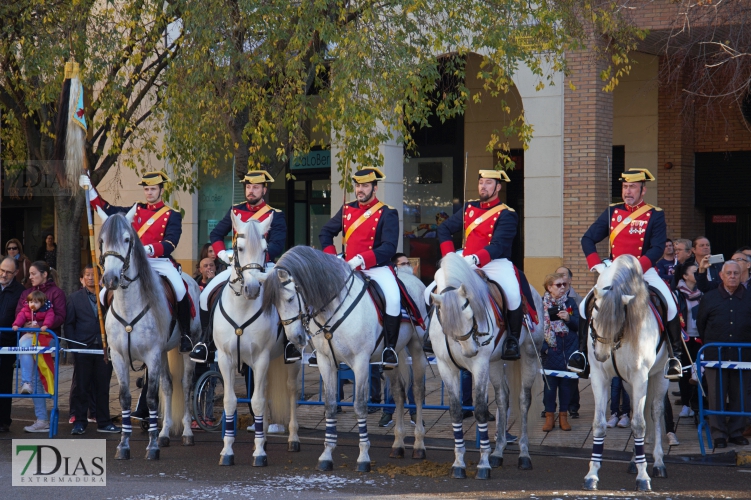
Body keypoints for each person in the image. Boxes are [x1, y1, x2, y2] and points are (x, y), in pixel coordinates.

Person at [569, 168, 682, 379]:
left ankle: (676, 356)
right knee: (586, 305)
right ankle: (582, 354)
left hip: (643, 269)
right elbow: (588, 239)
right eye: (625, 187)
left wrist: (637, 267)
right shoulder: (612, 211)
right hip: (614, 269)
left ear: (643, 190)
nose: (628, 191)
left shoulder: (655, 214)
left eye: (632, 187)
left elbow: (657, 248)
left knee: (670, 302)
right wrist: (597, 265)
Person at [80, 171, 193, 352]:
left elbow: (171, 243)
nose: (149, 193)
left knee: (180, 289)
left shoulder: (172, 215)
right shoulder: (135, 210)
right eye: (147, 189)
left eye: (153, 189)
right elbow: (105, 208)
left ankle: (185, 334)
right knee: (103, 294)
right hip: (133, 262)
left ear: (161, 190)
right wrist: (91, 189)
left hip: (159, 260)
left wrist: (149, 249)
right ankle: (106, 334)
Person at [191, 170, 290, 363]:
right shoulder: (235, 211)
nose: (251, 191)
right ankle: (205, 342)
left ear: (264, 190)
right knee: (205, 296)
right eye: (248, 187)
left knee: (286, 296)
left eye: (255, 187)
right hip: (237, 267)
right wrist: (222, 254)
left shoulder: (274, 215)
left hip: (263, 265)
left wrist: (259, 259)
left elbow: (278, 243)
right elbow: (216, 234)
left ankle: (288, 343)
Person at [435, 169, 524, 361]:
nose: (483, 186)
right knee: (432, 290)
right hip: (464, 262)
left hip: (494, 263)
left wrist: (476, 258)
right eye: (481, 182)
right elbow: (444, 229)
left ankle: (512, 340)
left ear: (498, 187)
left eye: (489, 183)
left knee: (513, 294)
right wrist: (450, 256)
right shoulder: (468, 208)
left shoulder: (507, 214)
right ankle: (431, 334)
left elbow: (499, 245)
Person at [320, 167, 401, 367]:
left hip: (376, 267)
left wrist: (362, 259)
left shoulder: (387, 212)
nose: (360, 190)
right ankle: (319, 346)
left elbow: (389, 247)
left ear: (375, 188)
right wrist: (333, 259)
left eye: (365, 186)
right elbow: (325, 233)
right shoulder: (347, 209)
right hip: (347, 267)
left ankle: (389, 349)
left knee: (393, 298)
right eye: (357, 186)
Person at [697, 260, 751, 448]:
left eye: (736, 273)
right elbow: (701, 325)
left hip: (743, 357)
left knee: (740, 396)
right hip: (715, 357)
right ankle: (719, 434)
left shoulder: (749, 297)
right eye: (728, 273)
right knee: (716, 396)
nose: (732, 276)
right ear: (721, 275)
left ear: (741, 275)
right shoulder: (709, 298)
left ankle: (736, 432)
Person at [66, 265, 120, 434]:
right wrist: (74, 347)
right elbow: (69, 324)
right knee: (82, 386)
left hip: (104, 348)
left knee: (103, 387)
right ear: (82, 279)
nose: (91, 278)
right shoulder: (74, 299)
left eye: (95, 275)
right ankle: (80, 422)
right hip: (83, 347)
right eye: (87, 275)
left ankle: (104, 421)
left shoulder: (110, 296)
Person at [16, 261, 66, 433]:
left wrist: (41, 324)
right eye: (29, 274)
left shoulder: (56, 293)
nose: (30, 277)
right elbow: (18, 314)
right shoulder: (26, 293)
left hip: (47, 338)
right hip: (29, 337)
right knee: (36, 379)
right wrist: (25, 325)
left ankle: (26, 382)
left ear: (44, 274)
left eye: (33, 274)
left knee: (40, 378)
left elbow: (60, 316)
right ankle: (42, 419)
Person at [540, 273, 579, 432]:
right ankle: (550, 417)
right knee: (550, 387)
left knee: (566, 386)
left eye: (564, 284)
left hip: (568, 348)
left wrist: (568, 319)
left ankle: (563, 417)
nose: (562, 287)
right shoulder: (541, 303)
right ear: (549, 287)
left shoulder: (570, 302)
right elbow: (536, 328)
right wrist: (545, 347)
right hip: (551, 349)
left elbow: (579, 325)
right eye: (558, 285)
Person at [672, 261, 702, 417]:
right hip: (685, 338)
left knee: (699, 373)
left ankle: (697, 404)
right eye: (694, 272)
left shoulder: (703, 291)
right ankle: (685, 403)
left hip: (700, 338)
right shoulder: (677, 294)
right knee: (685, 372)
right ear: (685, 276)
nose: (697, 275)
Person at [0, 257, 25, 432]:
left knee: (4, 381)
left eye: (8, 272)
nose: (3, 274)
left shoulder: (20, 292)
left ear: (16, 273)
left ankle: (3, 421)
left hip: (7, 342)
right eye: (2, 270)